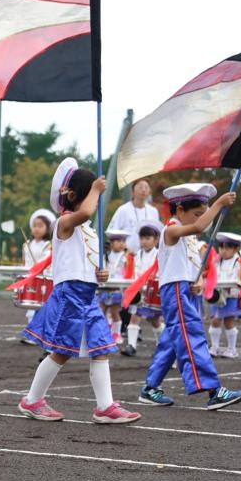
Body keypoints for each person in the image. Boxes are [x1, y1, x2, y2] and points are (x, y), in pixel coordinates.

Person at [18, 158, 141, 424]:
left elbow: (88, 258)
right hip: (69, 295)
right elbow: (84, 213)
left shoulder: (87, 230)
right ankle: (32, 400)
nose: (94, 203)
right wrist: (97, 189)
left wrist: (100, 274)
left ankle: (105, 407)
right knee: (61, 352)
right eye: (90, 196)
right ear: (73, 196)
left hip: (87, 294)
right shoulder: (65, 223)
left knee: (102, 348)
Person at [138, 184, 241, 409]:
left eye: (203, 211)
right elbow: (198, 226)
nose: (202, 218)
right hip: (175, 290)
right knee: (191, 334)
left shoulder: (188, 236)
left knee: (172, 339)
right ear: (179, 210)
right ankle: (213, 390)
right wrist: (218, 204)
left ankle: (150, 387)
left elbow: (190, 264)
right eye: (198, 212)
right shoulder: (171, 229)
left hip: (182, 289)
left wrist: (196, 282)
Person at [124, 221, 165, 356]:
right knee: (134, 316)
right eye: (142, 238)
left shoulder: (160, 255)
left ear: (157, 239)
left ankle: (163, 345)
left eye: (148, 238)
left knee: (154, 320)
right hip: (139, 292)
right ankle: (131, 345)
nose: (144, 241)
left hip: (152, 292)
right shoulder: (136, 255)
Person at [208, 232, 241, 359]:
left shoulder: (240, 263)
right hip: (218, 295)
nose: (223, 251)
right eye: (221, 247)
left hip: (231, 296)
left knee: (228, 322)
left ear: (236, 249)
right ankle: (215, 347)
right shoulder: (216, 261)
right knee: (215, 320)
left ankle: (232, 349)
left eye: (227, 247)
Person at [20, 209, 55, 345]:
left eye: (40, 226)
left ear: (48, 228)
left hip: (44, 279)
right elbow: (24, 262)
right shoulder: (27, 244)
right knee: (31, 306)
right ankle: (32, 334)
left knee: (42, 307)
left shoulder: (49, 245)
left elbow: (47, 261)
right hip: (30, 279)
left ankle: (40, 334)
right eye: (35, 225)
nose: (36, 229)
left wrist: (39, 267)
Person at [109, 177, 161, 251]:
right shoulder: (123, 210)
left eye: (146, 187)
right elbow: (113, 233)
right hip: (127, 255)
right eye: (140, 187)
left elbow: (157, 234)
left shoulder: (153, 211)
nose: (143, 190)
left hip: (148, 255)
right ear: (133, 191)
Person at [100, 229, 132, 346]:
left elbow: (128, 271)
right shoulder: (106, 256)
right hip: (106, 285)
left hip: (118, 286)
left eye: (123, 241)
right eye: (118, 241)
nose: (121, 243)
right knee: (102, 309)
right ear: (111, 242)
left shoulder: (126, 257)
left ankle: (116, 333)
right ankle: (103, 331)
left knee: (114, 311)